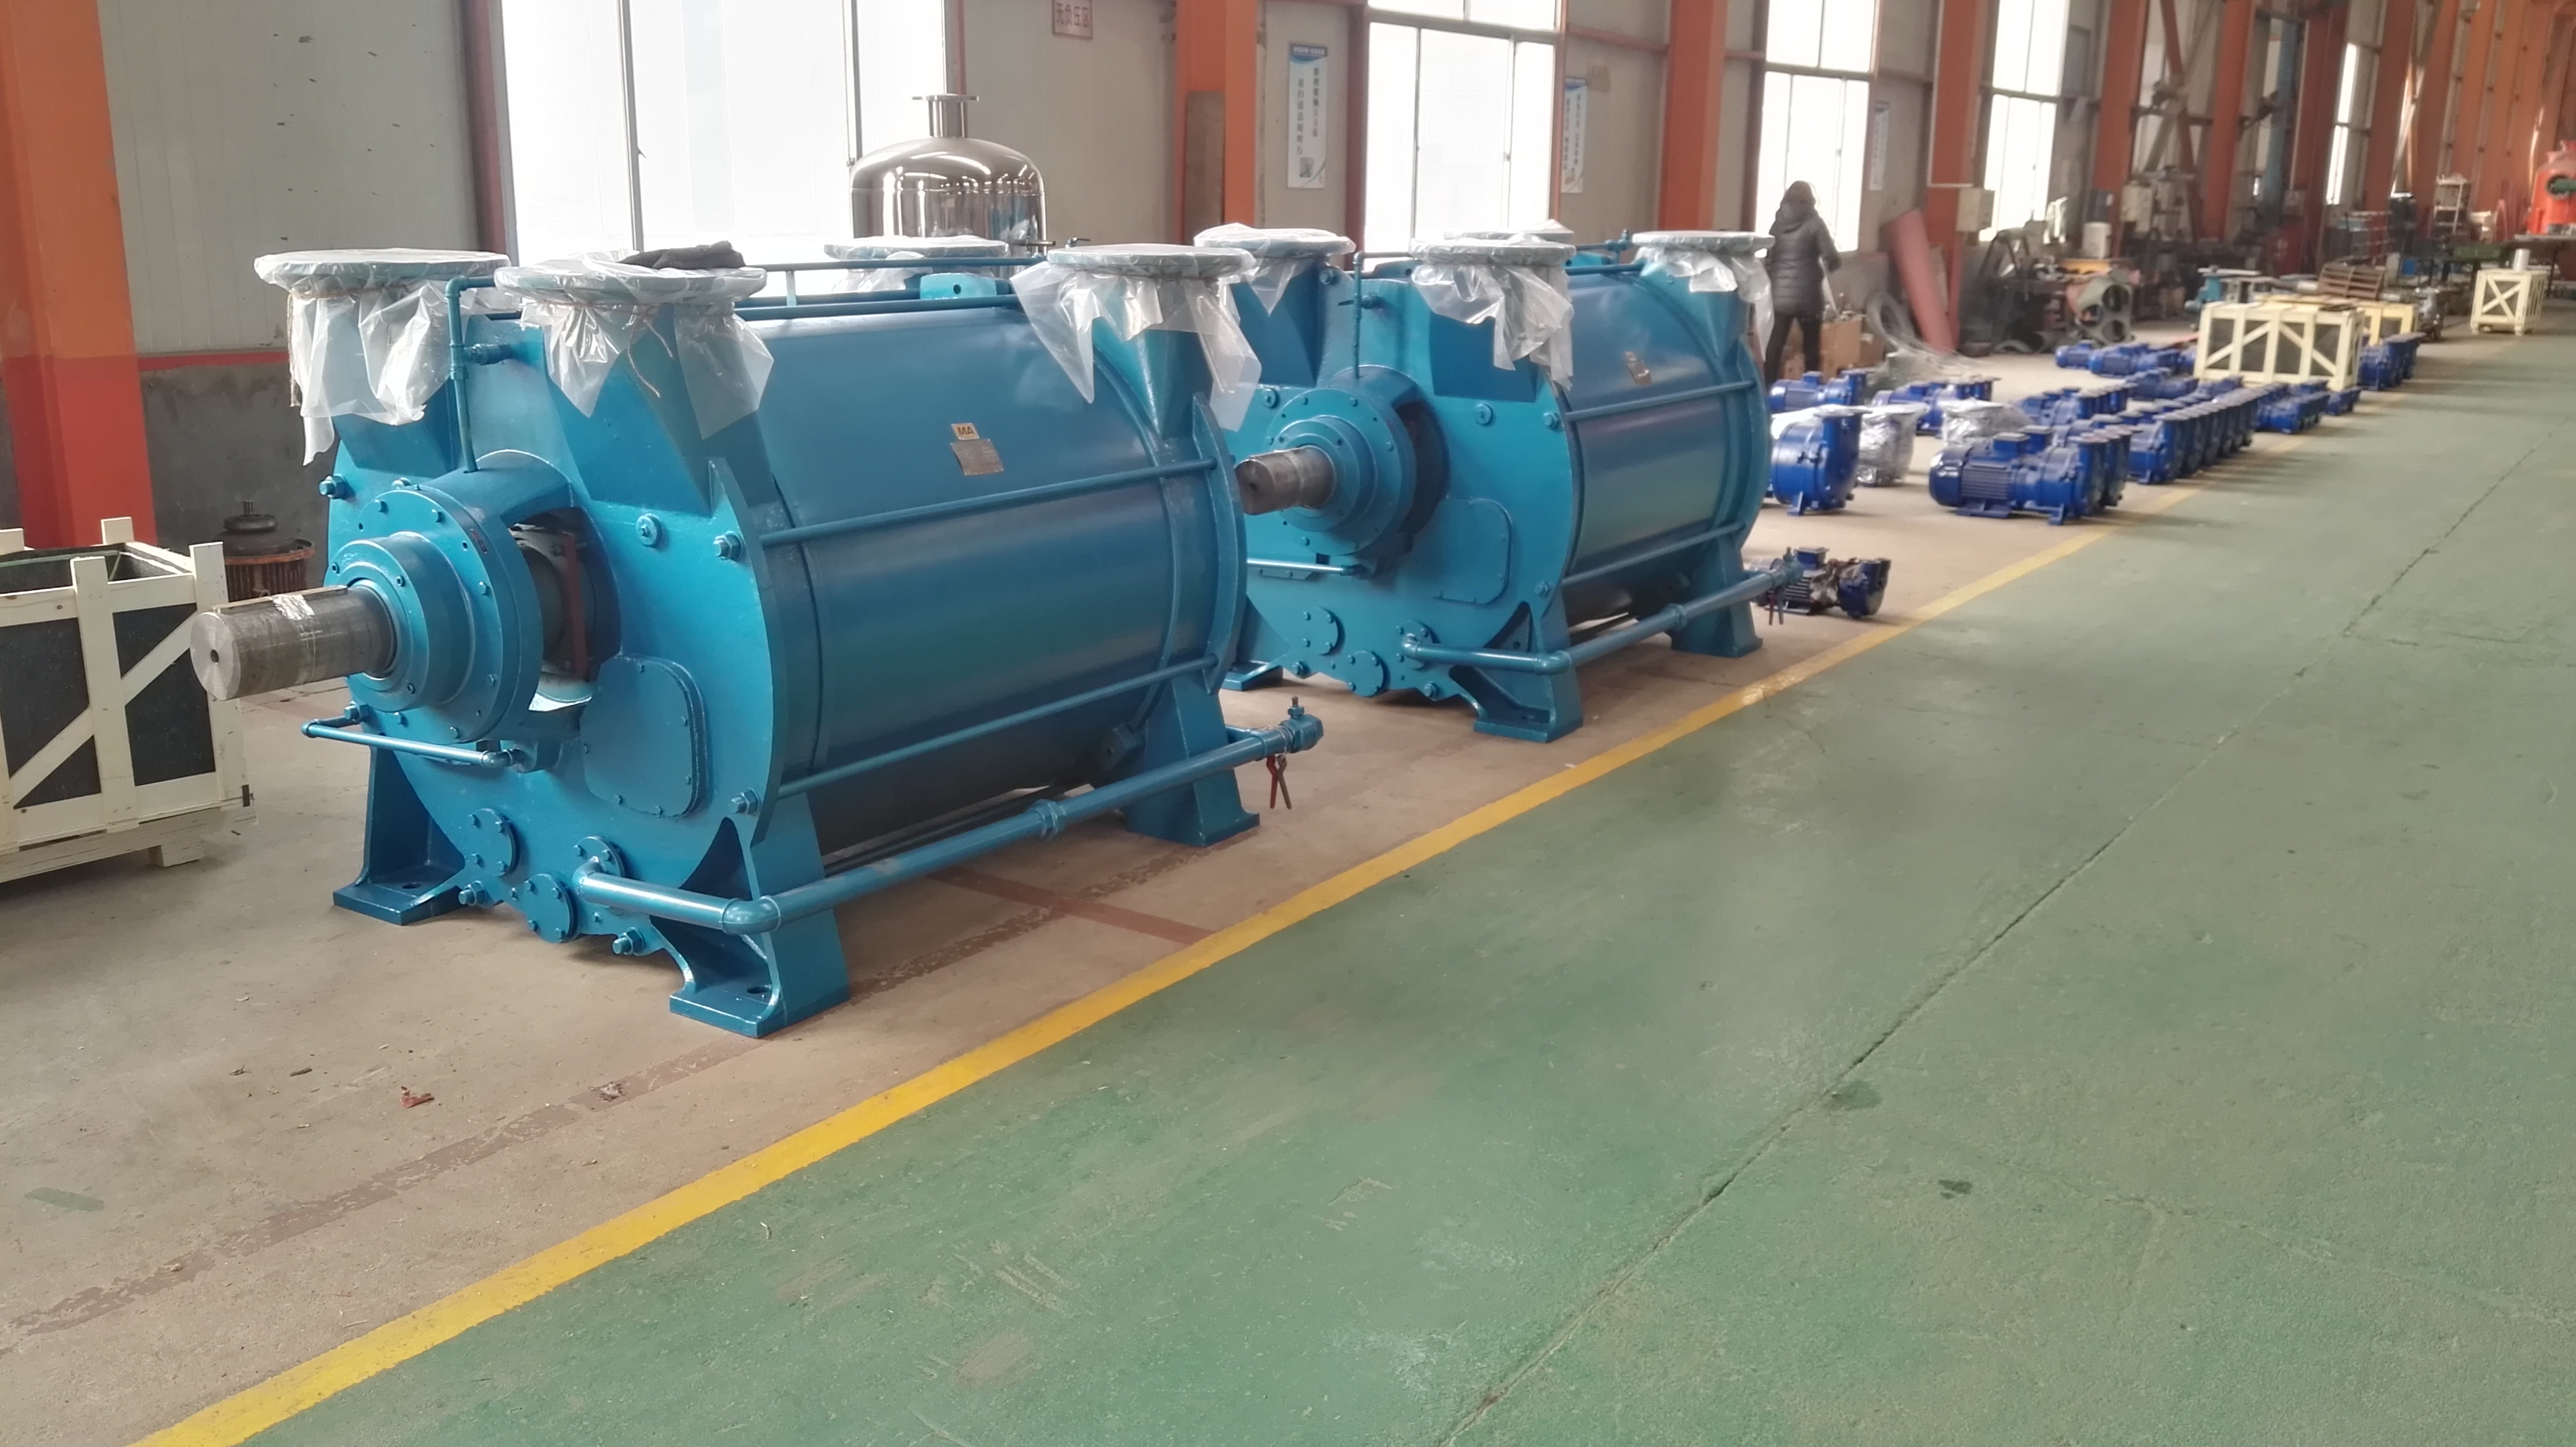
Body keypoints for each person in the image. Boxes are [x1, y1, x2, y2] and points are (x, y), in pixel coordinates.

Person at [1762, 181, 1842, 384]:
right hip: (1808, 295)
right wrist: (1834, 264)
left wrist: (1775, 281)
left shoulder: (1777, 224)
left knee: (1776, 343)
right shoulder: (1815, 223)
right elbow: (1830, 255)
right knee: (1811, 346)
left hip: (1780, 296)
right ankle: (1810, 387)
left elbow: (1769, 259)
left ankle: (1767, 386)